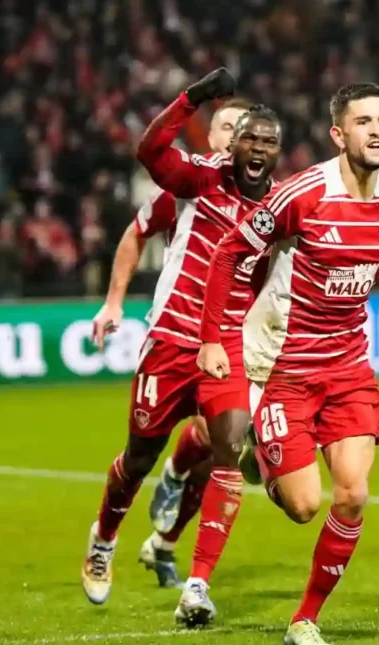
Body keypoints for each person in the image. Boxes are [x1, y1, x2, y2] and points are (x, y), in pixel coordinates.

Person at [197, 82, 379, 645]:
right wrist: (213, 338)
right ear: (339, 133)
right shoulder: (303, 195)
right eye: (363, 121)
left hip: (351, 369)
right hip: (289, 373)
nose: (377, 129)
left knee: (352, 495)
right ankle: (263, 452)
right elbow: (230, 252)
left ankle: (305, 619)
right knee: (305, 507)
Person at [81, 70, 283, 623]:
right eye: (239, 134)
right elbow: (149, 152)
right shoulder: (196, 181)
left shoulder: (277, 209)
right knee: (139, 453)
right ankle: (105, 536)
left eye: (264, 140)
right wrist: (190, 97)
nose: (250, 147)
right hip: (172, 340)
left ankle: (196, 583)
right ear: (225, 140)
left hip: (226, 348)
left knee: (230, 449)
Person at [119, 95, 253, 589]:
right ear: (212, 137)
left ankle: (165, 542)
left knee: (223, 456)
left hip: (238, 334)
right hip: (179, 334)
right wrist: (113, 303)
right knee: (216, 444)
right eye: (226, 127)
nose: (236, 136)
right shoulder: (186, 187)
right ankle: (171, 482)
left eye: (246, 127)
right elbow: (135, 234)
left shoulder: (260, 196)